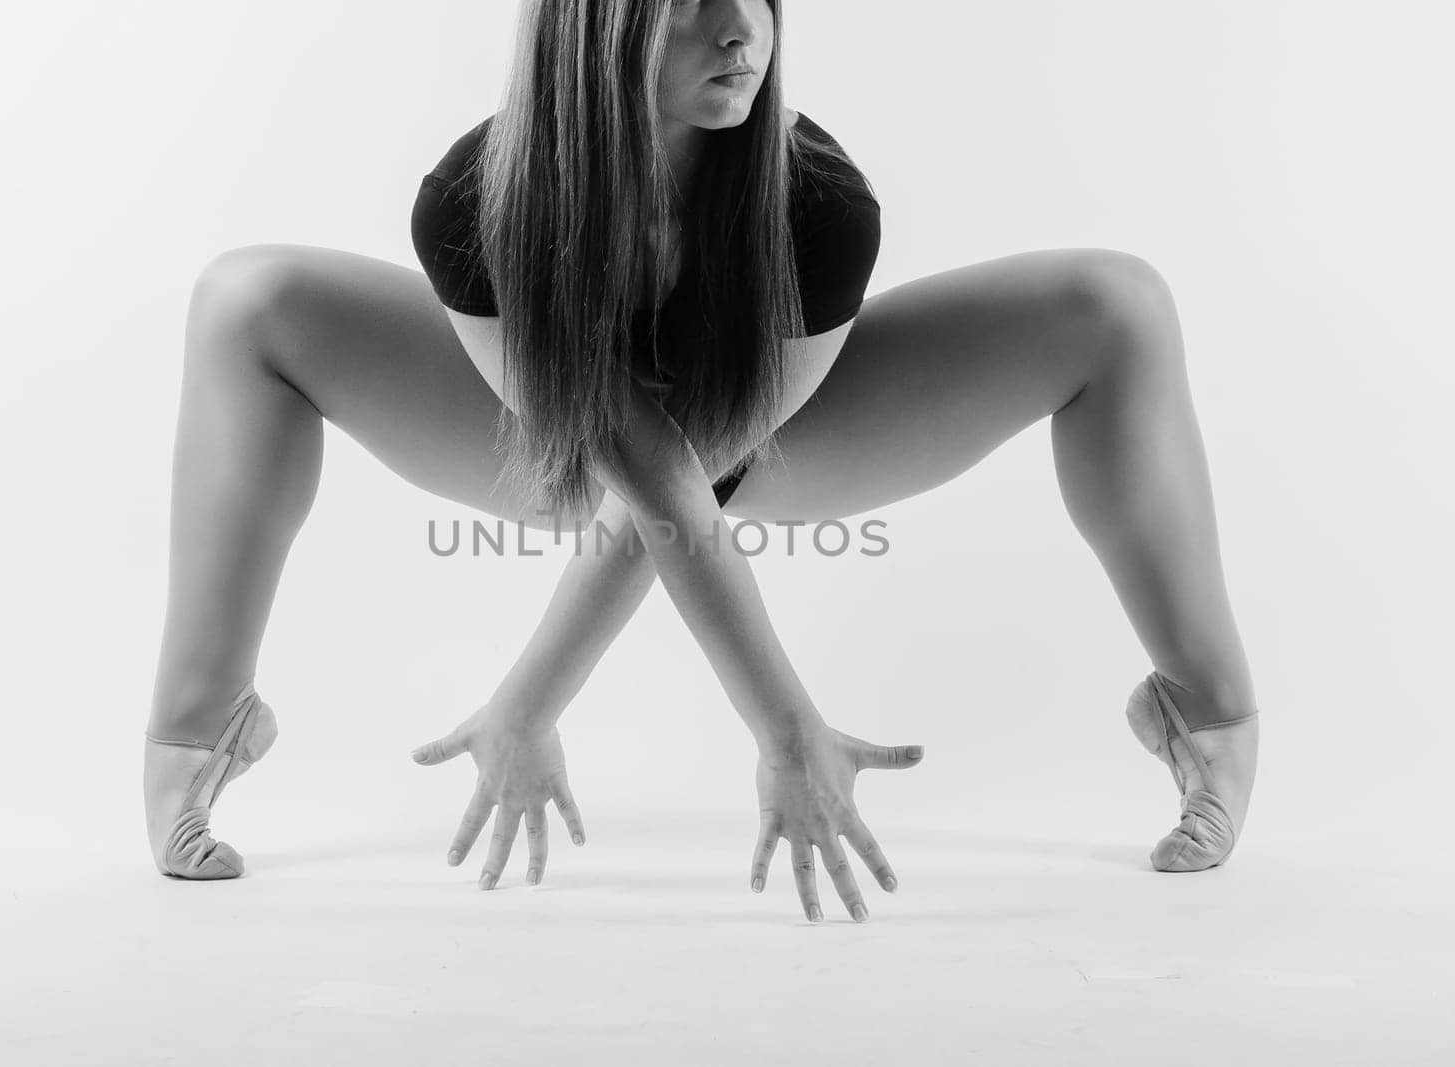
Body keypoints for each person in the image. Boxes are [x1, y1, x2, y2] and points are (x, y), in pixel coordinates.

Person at [142, 0, 1261, 924]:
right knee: (248, 298)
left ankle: (1203, 717)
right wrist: (761, 722)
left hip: (768, 445)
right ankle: (202, 726)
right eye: (691, 8)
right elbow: (622, 458)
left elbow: (697, 482)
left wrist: (543, 702)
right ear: (593, 29)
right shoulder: (476, 197)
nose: (741, 33)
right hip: (549, 446)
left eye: (756, 2)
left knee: (1115, 303)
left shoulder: (816, 205)